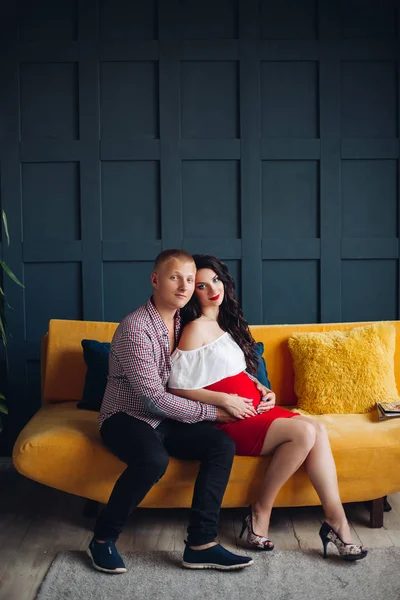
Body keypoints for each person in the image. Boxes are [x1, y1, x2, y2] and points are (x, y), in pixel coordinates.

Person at [168, 254, 367, 562]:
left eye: (216, 281)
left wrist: (263, 388)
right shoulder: (195, 328)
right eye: (203, 286)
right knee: (303, 431)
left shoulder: (222, 323)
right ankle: (261, 511)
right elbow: (176, 385)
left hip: (256, 409)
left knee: (317, 428)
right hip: (230, 420)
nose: (213, 290)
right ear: (193, 291)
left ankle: (336, 519)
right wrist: (224, 400)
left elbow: (231, 371)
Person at [88, 249, 254, 574]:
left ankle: (201, 544)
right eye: (174, 277)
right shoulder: (136, 329)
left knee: (220, 445)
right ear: (155, 279)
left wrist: (254, 387)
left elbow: (213, 363)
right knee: (153, 459)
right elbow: (154, 400)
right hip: (126, 416)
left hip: (166, 418)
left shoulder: (183, 321)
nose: (184, 286)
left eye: (190, 279)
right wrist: (214, 411)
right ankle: (102, 539)